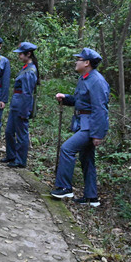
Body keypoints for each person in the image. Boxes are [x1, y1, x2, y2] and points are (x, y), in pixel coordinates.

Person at [50, 48, 109, 207]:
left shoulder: (96, 81)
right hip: (83, 122)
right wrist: (66, 98)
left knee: (67, 149)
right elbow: (80, 101)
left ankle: (64, 187)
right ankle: (91, 198)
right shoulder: (85, 78)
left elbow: (100, 109)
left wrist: (98, 134)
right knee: (87, 159)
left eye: (79, 59)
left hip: (90, 126)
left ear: (87, 63)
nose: (76, 62)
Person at [1, 42, 40, 168]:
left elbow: (27, 93)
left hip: (21, 107)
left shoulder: (30, 71)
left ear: (28, 54)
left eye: (21, 54)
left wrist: (25, 112)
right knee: (8, 132)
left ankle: (20, 160)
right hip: (15, 105)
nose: (19, 56)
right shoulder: (25, 68)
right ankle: (11, 155)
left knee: (22, 134)